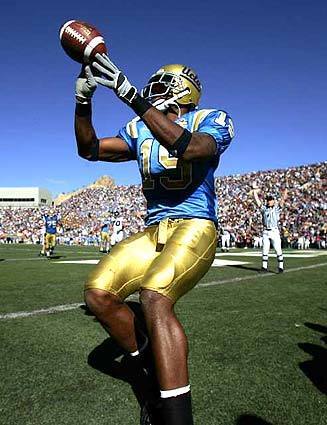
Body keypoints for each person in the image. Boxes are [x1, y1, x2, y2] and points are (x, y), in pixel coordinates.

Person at [73, 54, 234, 425]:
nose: (152, 90)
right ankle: (151, 378)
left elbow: (193, 148)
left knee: (154, 296)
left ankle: (178, 418)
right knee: (98, 293)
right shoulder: (140, 127)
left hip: (196, 224)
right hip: (154, 230)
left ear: (184, 90)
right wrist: (83, 103)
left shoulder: (212, 118)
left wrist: (131, 95)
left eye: (161, 84)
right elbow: (90, 149)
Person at [252, 186, 287, 273]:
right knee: (265, 250)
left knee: (277, 249)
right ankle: (264, 267)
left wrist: (285, 192)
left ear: (273, 201)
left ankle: (281, 267)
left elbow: (282, 201)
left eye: (270, 200)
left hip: (274, 231)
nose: (268, 201)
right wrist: (254, 192)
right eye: (268, 200)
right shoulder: (264, 209)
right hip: (265, 231)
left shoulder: (276, 208)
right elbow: (257, 201)